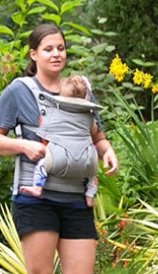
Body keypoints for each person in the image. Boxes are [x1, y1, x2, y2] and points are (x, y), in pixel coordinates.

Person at [0, 23, 119, 274]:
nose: (56, 53)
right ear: (34, 55)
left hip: (76, 198)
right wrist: (23, 145)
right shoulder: (19, 91)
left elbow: (96, 134)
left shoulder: (79, 88)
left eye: (60, 48)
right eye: (48, 49)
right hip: (36, 197)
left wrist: (107, 152)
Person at [18, 74, 100, 207]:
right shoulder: (89, 116)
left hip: (59, 157)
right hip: (87, 159)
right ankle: (90, 197)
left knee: (42, 165)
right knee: (93, 177)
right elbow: (94, 132)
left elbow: (44, 131)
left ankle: (38, 187)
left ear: (61, 95)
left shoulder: (54, 113)